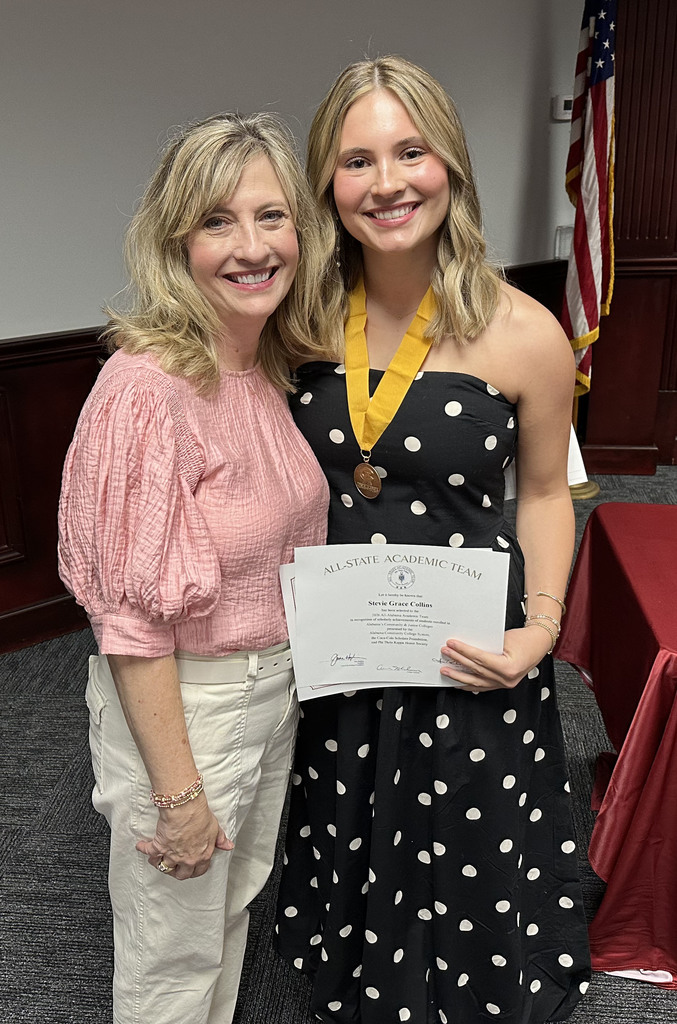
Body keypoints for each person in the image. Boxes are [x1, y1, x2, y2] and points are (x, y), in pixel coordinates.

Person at [275, 56, 591, 1024]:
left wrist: (538, 632)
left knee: (469, 828)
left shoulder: (522, 330)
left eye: (410, 151)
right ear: (326, 183)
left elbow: (542, 493)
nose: (387, 183)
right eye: (357, 159)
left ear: (448, 164)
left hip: (468, 639)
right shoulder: (295, 316)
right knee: (350, 815)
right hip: (341, 640)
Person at [58, 112, 329, 1024]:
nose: (252, 246)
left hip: (270, 691)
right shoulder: (144, 389)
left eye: (272, 216)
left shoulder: (261, 365)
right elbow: (131, 625)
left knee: (226, 915)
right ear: (176, 240)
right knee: (169, 955)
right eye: (218, 221)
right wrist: (177, 797)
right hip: (189, 705)